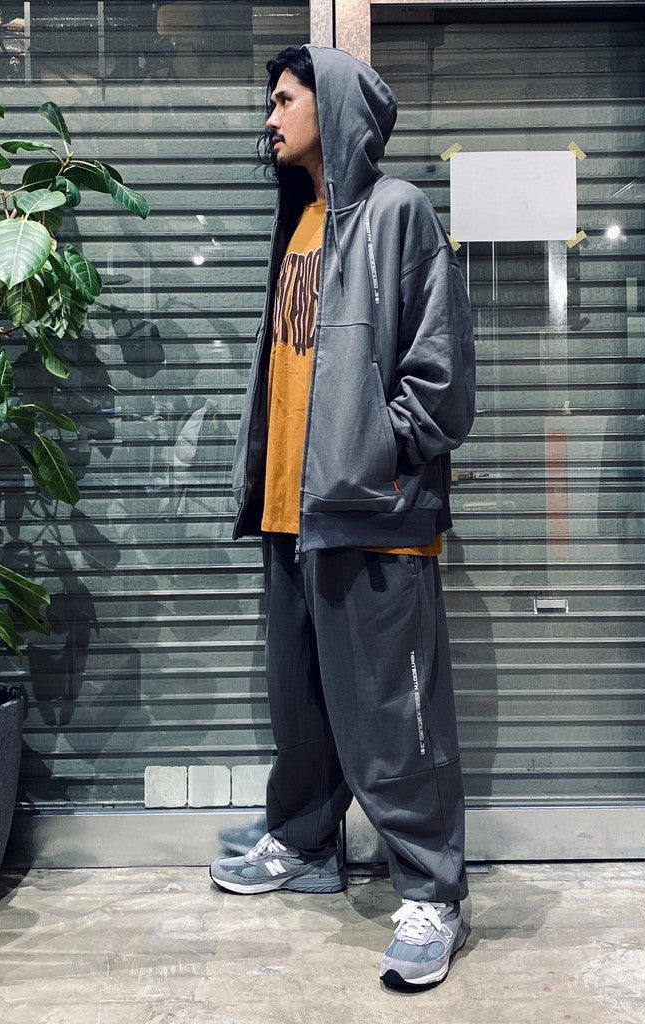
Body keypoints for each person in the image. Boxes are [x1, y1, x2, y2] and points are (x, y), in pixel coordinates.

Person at [209, 44, 476, 989]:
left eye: (285, 100)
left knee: (396, 718)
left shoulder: (399, 213)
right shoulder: (299, 225)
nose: (270, 117)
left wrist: (377, 456)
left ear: (334, 107)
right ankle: (305, 843)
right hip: (294, 511)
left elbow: (440, 380)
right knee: (304, 709)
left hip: (372, 514)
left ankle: (433, 892)